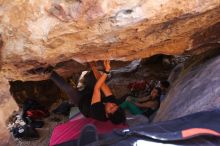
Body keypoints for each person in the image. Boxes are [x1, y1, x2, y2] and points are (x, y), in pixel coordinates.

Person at [78, 60, 126, 125]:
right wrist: (93, 67)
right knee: (93, 77)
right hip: (91, 95)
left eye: (111, 108)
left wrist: (106, 72)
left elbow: (96, 88)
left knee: (67, 88)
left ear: (107, 114)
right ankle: (85, 81)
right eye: (114, 105)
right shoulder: (113, 103)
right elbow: (102, 85)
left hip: (83, 104)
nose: (111, 104)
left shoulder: (97, 112)